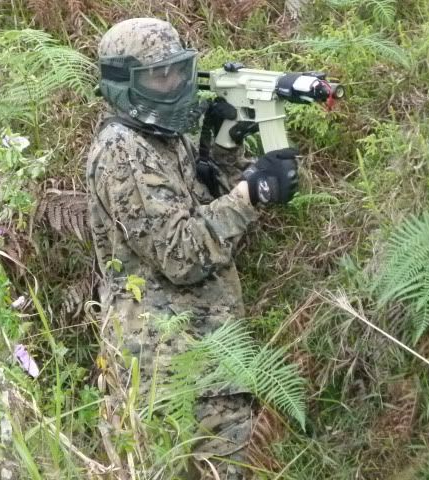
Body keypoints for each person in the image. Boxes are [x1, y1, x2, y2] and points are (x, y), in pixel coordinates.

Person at [86, 17, 299, 479]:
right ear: (124, 83)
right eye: (159, 76)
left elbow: (201, 211)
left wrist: (219, 154)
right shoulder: (122, 150)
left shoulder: (166, 138)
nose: (175, 84)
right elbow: (181, 253)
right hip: (166, 373)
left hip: (210, 360)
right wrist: (251, 195)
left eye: (180, 71)